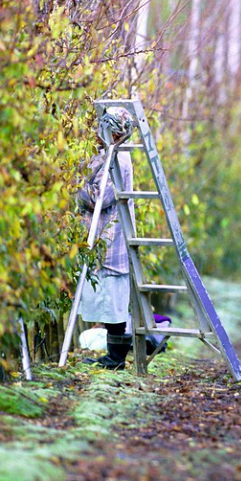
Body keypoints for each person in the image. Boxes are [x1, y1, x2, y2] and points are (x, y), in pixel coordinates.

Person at [76, 107, 135, 370]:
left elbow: (101, 197)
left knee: (112, 302)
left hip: (110, 239)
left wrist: (75, 185)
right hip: (100, 238)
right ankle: (113, 357)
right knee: (106, 299)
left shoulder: (118, 160)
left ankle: (116, 358)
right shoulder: (104, 156)